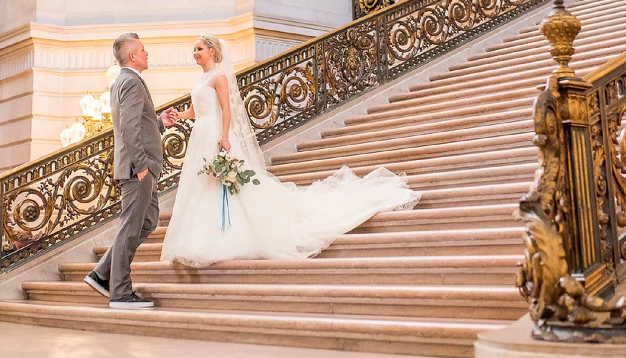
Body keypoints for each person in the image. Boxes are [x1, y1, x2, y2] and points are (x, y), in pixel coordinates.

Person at [160, 36, 417, 265]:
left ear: (213, 51)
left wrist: (225, 137)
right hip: (200, 135)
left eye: (199, 49)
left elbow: (226, 110)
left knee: (225, 184)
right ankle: (202, 236)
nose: (195, 53)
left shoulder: (219, 76)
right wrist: (178, 115)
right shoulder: (201, 78)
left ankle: (227, 234)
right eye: (194, 49)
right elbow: (196, 111)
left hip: (216, 134)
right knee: (203, 184)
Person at [85, 33, 178, 308]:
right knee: (131, 226)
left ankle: (102, 274)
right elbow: (127, 128)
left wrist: (159, 121)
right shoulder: (131, 82)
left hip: (141, 167)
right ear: (132, 56)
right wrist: (141, 167)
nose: (146, 53)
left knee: (147, 222)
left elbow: (138, 123)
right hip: (139, 168)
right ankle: (121, 292)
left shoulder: (124, 81)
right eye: (142, 49)